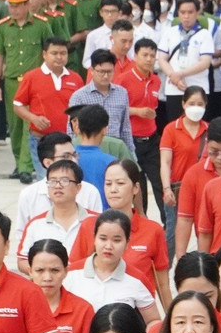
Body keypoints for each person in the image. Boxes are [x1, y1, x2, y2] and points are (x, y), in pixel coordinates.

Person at [69, 159, 171, 307]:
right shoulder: (89, 225)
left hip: (137, 313)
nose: (113, 189)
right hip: (94, 313)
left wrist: (171, 322)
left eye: (120, 183)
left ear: (136, 188)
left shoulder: (153, 230)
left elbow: (163, 285)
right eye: (108, 183)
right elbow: (73, 274)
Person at [0, 0, 52, 184]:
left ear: (27, 4)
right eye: (11, 6)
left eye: (18, 6)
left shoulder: (41, 25)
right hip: (11, 82)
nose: (14, 10)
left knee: (30, 124)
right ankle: (19, 162)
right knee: (15, 125)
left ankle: (26, 166)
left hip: (34, 83)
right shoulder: (3, 27)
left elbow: (49, 51)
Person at [62, 210, 159, 323]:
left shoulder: (137, 279)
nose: (108, 246)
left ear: (127, 243)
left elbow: (154, 321)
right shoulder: (70, 274)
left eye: (116, 240)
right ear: (94, 238)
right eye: (103, 239)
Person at [14, 36, 84, 181]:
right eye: (54, 53)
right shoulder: (31, 77)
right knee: (45, 180)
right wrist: (33, 118)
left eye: (63, 53)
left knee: (68, 178)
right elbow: (18, 105)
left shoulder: (75, 78)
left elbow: (81, 109)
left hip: (68, 140)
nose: (59, 57)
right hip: (40, 139)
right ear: (44, 54)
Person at [14, 133, 104, 231]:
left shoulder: (90, 191)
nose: (74, 161)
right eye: (66, 156)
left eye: (74, 155)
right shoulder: (29, 195)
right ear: (47, 163)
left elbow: (97, 230)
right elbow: (22, 232)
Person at [158, 85, 210, 253]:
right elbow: (165, 162)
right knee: (172, 235)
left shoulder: (210, 130)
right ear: (183, 104)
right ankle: (165, 271)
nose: (196, 107)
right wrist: (166, 189)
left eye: (200, 104)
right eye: (192, 103)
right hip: (177, 190)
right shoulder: (171, 129)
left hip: (203, 190)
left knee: (204, 231)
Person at [118, 37, 165, 221]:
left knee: (160, 183)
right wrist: (137, 111)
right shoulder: (123, 80)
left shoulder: (156, 80)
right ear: (135, 56)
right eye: (144, 55)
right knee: (139, 187)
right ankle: (141, 222)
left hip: (152, 139)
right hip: (132, 141)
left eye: (152, 56)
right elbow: (117, 108)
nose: (148, 59)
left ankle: (167, 225)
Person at [16, 158, 90, 271]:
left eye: (65, 181)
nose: (58, 186)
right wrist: (43, 272)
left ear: (78, 187)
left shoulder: (95, 221)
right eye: (52, 181)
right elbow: (22, 260)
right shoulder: (35, 224)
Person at [158, 0, 217, 123]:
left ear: (197, 12)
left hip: (198, 88)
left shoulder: (204, 34)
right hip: (174, 88)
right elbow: (162, 58)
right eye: (182, 12)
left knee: (198, 124)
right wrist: (172, 75)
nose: (186, 16)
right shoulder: (170, 32)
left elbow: (205, 62)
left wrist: (180, 74)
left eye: (190, 12)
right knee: (175, 124)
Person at [28, 240, 95, 333]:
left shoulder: (83, 310)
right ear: (30, 271)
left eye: (55, 270)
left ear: (66, 271)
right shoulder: (15, 307)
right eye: (40, 270)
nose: (47, 277)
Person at [68, 48, 135, 154]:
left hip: (115, 149)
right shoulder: (79, 96)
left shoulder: (122, 93)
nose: (106, 76)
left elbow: (125, 128)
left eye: (109, 71)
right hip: (89, 150)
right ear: (92, 70)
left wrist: (131, 155)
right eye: (101, 72)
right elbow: (71, 131)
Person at [70, 104, 116, 203]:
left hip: (76, 215)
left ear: (77, 127)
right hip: (104, 215)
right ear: (104, 130)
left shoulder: (67, 159)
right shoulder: (111, 162)